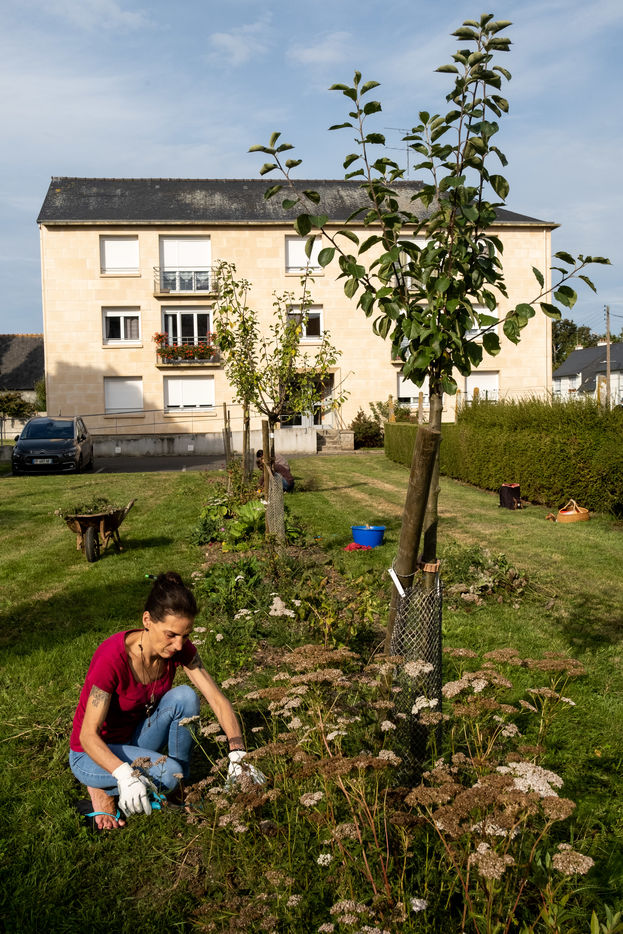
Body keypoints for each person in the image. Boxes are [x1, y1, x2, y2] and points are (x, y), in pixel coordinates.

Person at [69, 571, 262, 831]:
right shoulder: (112, 658)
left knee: (185, 697)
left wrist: (238, 753)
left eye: (185, 635)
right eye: (171, 634)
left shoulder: (176, 649)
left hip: (132, 739)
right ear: (147, 620)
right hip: (91, 753)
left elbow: (216, 698)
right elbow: (87, 736)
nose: (179, 645)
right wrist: (124, 774)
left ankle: (178, 788)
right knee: (168, 774)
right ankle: (102, 786)